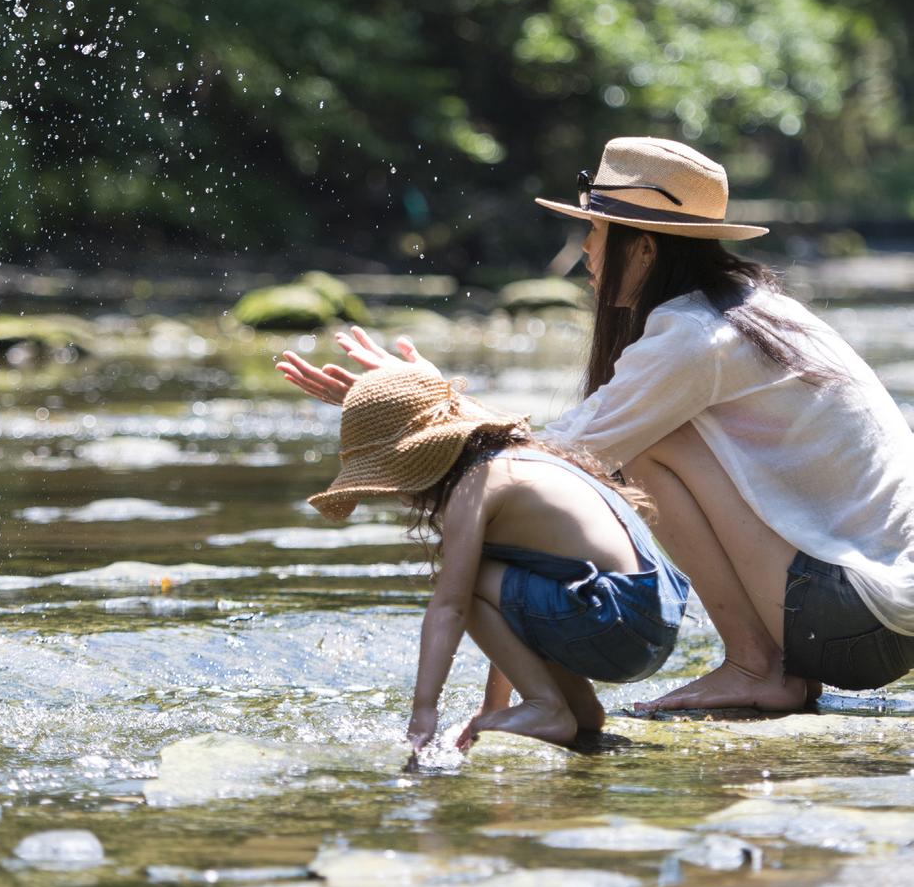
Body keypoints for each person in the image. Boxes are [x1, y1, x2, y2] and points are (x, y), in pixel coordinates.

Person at [278, 136, 914, 714]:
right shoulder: (756, 312)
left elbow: (557, 458)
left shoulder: (694, 338)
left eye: (596, 229)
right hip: (875, 613)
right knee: (641, 441)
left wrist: (421, 408)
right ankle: (766, 665)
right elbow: (560, 446)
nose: (584, 248)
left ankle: (756, 667)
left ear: (641, 247)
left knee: (654, 445)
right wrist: (427, 400)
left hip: (850, 618)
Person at [306, 364, 688, 755]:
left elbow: (451, 607)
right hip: (652, 617)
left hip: (617, 621)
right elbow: (515, 609)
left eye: (390, 477)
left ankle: (546, 707)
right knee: (513, 582)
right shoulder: (519, 457)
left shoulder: (476, 486)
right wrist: (494, 708)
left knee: (469, 583)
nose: (395, 493)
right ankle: (574, 708)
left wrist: (424, 712)